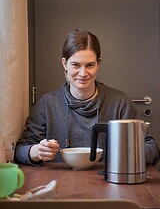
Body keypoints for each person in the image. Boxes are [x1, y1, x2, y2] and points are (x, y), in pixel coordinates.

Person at [14, 29, 160, 166]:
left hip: (110, 182)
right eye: (76, 65)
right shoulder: (47, 103)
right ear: (65, 64)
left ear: (98, 64)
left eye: (90, 65)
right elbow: (20, 150)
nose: (83, 73)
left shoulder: (119, 102)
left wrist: (121, 153)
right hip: (60, 183)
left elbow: (152, 150)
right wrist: (35, 151)